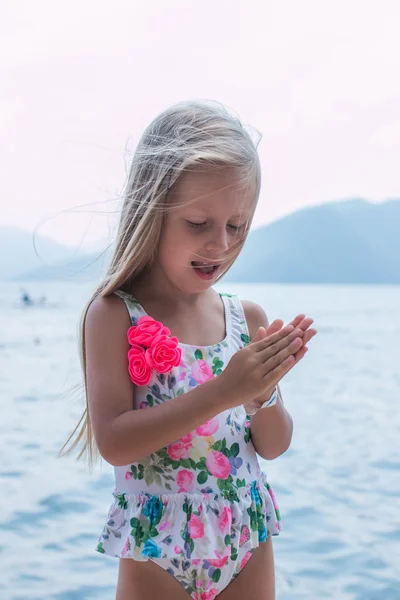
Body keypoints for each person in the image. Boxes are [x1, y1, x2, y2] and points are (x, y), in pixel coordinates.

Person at [60, 100, 317, 600]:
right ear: (151, 211)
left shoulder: (249, 319)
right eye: (198, 224)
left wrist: (260, 396)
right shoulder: (115, 315)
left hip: (247, 537)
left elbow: (274, 445)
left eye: (236, 226)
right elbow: (114, 440)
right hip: (157, 548)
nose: (220, 245)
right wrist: (225, 389)